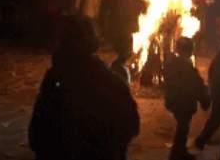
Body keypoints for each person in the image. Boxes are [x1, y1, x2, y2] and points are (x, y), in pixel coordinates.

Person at [29, 17, 139, 160]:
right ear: (93, 43)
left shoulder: (54, 80)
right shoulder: (111, 81)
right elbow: (131, 127)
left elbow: (37, 136)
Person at [164, 37, 210, 160]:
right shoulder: (185, 67)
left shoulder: (172, 63)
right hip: (183, 103)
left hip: (175, 102)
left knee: (182, 127)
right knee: (183, 129)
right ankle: (177, 154)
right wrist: (205, 99)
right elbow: (196, 85)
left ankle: (180, 152)